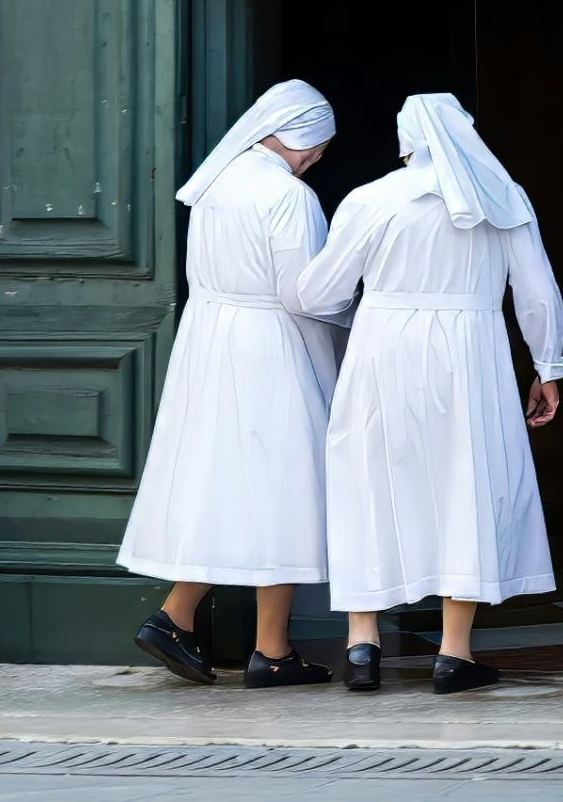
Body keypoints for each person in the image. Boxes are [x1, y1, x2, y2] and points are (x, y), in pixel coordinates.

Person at [296, 93, 563, 696]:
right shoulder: (502, 197)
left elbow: (318, 294)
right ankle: (453, 653)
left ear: (405, 143)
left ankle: (362, 644)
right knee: (465, 483)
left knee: (369, 479)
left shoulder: (370, 198)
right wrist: (547, 365)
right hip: (471, 356)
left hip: (382, 349)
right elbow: (537, 291)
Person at [116, 79, 350, 689]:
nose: (316, 158)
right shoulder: (289, 196)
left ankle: (177, 616)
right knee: (285, 484)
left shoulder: (217, 184)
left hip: (209, 342)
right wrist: (357, 311)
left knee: (222, 482)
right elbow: (304, 292)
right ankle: (270, 650)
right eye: (319, 147)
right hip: (270, 344)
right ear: (305, 138)